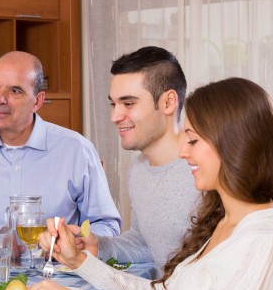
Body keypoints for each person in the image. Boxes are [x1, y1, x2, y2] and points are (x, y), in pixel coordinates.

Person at [26, 77, 273, 290]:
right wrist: (81, 261)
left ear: (235, 145)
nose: (184, 152)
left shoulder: (263, 242)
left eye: (193, 140)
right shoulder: (229, 222)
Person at [0, 51, 120, 252]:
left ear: (38, 101)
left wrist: (73, 241)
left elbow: (107, 226)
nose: (0, 99)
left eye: (15, 91)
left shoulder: (76, 150)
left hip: (55, 276)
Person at [56, 46, 200, 272]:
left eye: (129, 103)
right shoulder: (138, 169)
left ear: (168, 102)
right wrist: (99, 245)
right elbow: (146, 242)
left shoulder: (205, 167)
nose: (115, 116)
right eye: (114, 104)